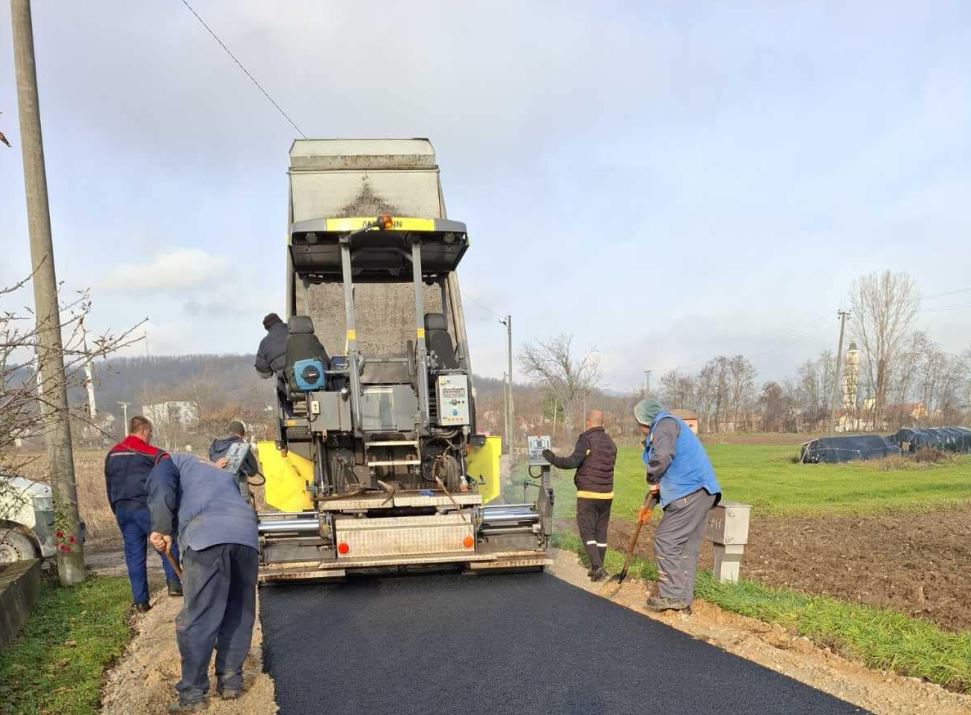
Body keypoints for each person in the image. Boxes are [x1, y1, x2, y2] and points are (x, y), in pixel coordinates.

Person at [147, 453, 259, 713]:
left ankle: (193, 694)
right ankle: (231, 681)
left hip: (206, 536)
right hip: (245, 535)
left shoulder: (168, 461)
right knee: (238, 611)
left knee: (199, 618)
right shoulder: (213, 470)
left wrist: (161, 528)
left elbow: (162, 489)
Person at [634, 398, 721, 613]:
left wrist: (652, 480)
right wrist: (653, 500)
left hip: (689, 492)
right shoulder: (670, 425)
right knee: (686, 547)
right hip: (702, 492)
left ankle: (672, 595)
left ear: (644, 420)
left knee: (666, 540)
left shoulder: (663, 424)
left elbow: (663, 457)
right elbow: (667, 464)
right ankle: (683, 601)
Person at [104, 416, 182, 611]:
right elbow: (165, 483)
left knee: (134, 554)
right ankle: (174, 584)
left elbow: (109, 484)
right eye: (150, 433)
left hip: (123, 509)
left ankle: (140, 601)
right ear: (145, 430)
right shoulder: (155, 454)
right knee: (165, 542)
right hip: (147, 507)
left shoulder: (112, 454)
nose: (150, 437)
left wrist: (116, 508)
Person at [542, 410, 617, 581]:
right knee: (601, 531)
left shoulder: (586, 439)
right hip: (607, 494)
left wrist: (551, 457)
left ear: (589, 422)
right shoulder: (611, 442)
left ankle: (597, 567)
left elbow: (572, 462)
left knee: (586, 530)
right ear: (602, 422)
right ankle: (598, 566)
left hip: (588, 493)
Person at [208, 420, 259, 501]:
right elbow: (253, 471)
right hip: (237, 493)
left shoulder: (214, 444)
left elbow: (211, 462)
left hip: (216, 492)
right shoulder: (240, 444)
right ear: (242, 434)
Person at [254, 312, 290, 415]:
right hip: (314, 375)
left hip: (290, 384)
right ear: (280, 320)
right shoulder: (296, 330)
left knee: (281, 388)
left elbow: (264, 373)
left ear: (267, 328)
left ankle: (293, 416)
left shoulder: (265, 343)